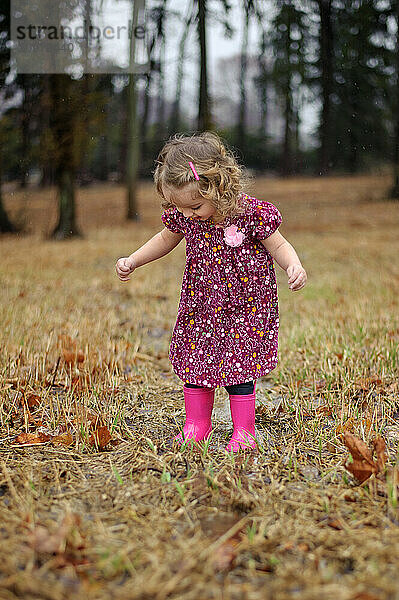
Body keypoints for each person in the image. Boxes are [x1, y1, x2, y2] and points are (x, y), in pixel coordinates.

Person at [115, 131, 307, 452]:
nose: (188, 214)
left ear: (218, 185)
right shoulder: (187, 217)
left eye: (195, 205)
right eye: (181, 208)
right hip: (201, 308)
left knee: (239, 367)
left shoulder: (251, 214)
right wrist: (133, 260)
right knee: (196, 362)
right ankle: (197, 424)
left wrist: (293, 266)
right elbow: (164, 240)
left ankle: (244, 431)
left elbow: (279, 243)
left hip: (245, 310)